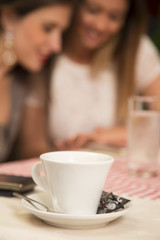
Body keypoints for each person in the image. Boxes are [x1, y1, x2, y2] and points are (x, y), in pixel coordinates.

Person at [48, 0, 160, 150]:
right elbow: (30, 147)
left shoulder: (135, 50)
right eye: (93, 11)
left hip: (121, 167)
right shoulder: (48, 50)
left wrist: (100, 137)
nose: (100, 26)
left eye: (114, 17)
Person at [0, 0, 77, 162]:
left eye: (61, 33)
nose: (57, 45)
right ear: (9, 19)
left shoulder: (19, 80)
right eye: (47, 28)